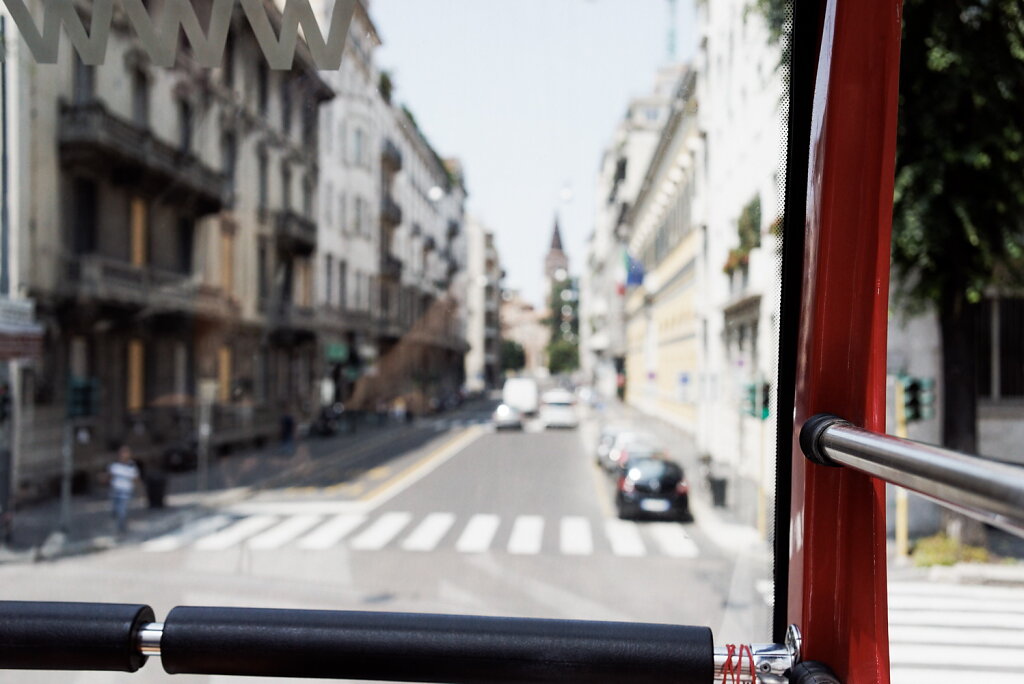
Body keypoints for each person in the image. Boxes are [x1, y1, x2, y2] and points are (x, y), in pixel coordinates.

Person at [108, 445, 139, 535]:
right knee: (114, 510)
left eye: (126, 453)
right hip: (115, 491)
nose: (124, 455)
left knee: (122, 510)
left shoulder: (131, 465)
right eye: (122, 453)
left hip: (125, 491)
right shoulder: (115, 465)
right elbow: (109, 477)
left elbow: (136, 478)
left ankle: (121, 528)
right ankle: (117, 524)